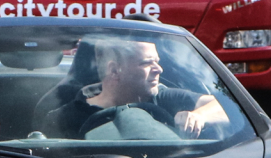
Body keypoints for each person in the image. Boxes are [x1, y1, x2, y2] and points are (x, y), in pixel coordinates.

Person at [41, 40, 229, 139]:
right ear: (114, 70)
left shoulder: (163, 97)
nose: (159, 70)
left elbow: (226, 107)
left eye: (157, 61)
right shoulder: (63, 118)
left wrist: (199, 116)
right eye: (147, 63)